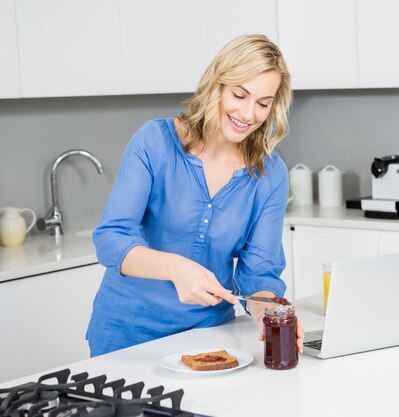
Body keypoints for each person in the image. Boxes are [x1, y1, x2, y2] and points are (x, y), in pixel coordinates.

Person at [87, 34, 303, 356]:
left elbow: (259, 271)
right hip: (126, 338)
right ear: (217, 85)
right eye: (239, 95)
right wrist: (176, 268)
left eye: (263, 103)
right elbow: (112, 238)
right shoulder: (155, 142)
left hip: (209, 340)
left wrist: (267, 314)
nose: (248, 114)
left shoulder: (269, 173)